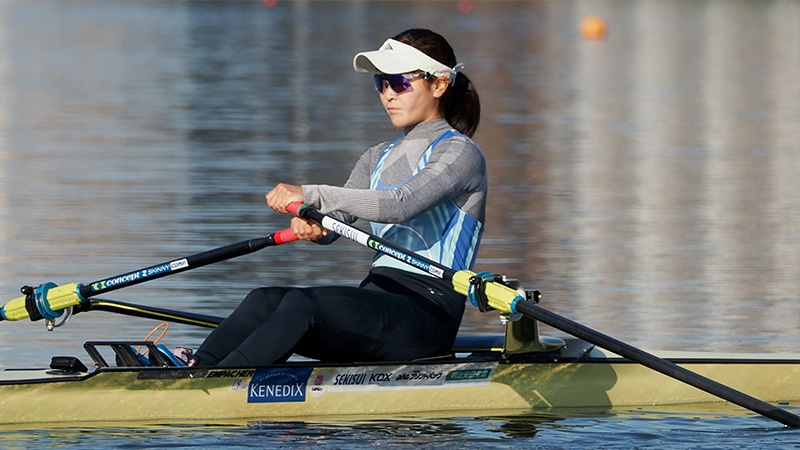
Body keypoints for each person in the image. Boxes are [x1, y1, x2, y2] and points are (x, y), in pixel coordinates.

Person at [185, 28, 487, 367]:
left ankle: (219, 385)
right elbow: (337, 224)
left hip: (427, 313)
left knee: (303, 306)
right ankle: (198, 367)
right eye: (381, 82)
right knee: (263, 299)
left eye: (400, 82)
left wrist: (311, 193)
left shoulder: (460, 153)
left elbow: (400, 204)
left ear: (438, 85)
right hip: (377, 302)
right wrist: (314, 224)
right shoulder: (377, 156)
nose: (388, 94)